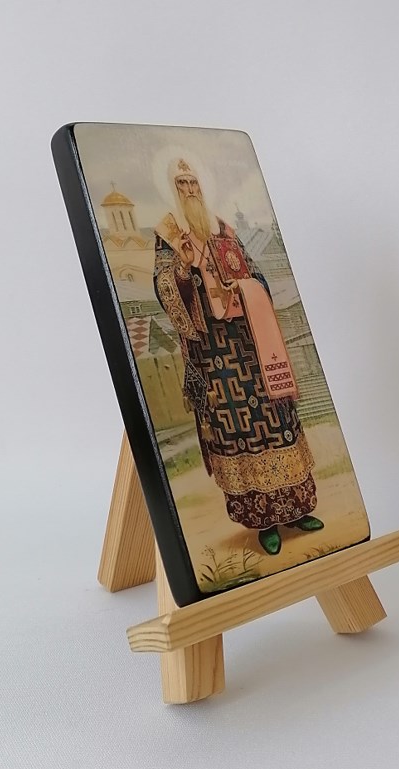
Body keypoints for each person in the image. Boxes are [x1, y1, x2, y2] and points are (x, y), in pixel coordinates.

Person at [153, 157, 324, 555]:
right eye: (181, 184)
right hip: (216, 354)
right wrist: (183, 269)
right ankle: (265, 521)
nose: (190, 190)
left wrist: (244, 286)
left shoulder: (224, 229)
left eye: (193, 182)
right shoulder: (169, 234)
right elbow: (164, 289)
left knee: (278, 419)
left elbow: (258, 275)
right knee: (240, 432)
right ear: (173, 190)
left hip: (253, 344)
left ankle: (297, 508)